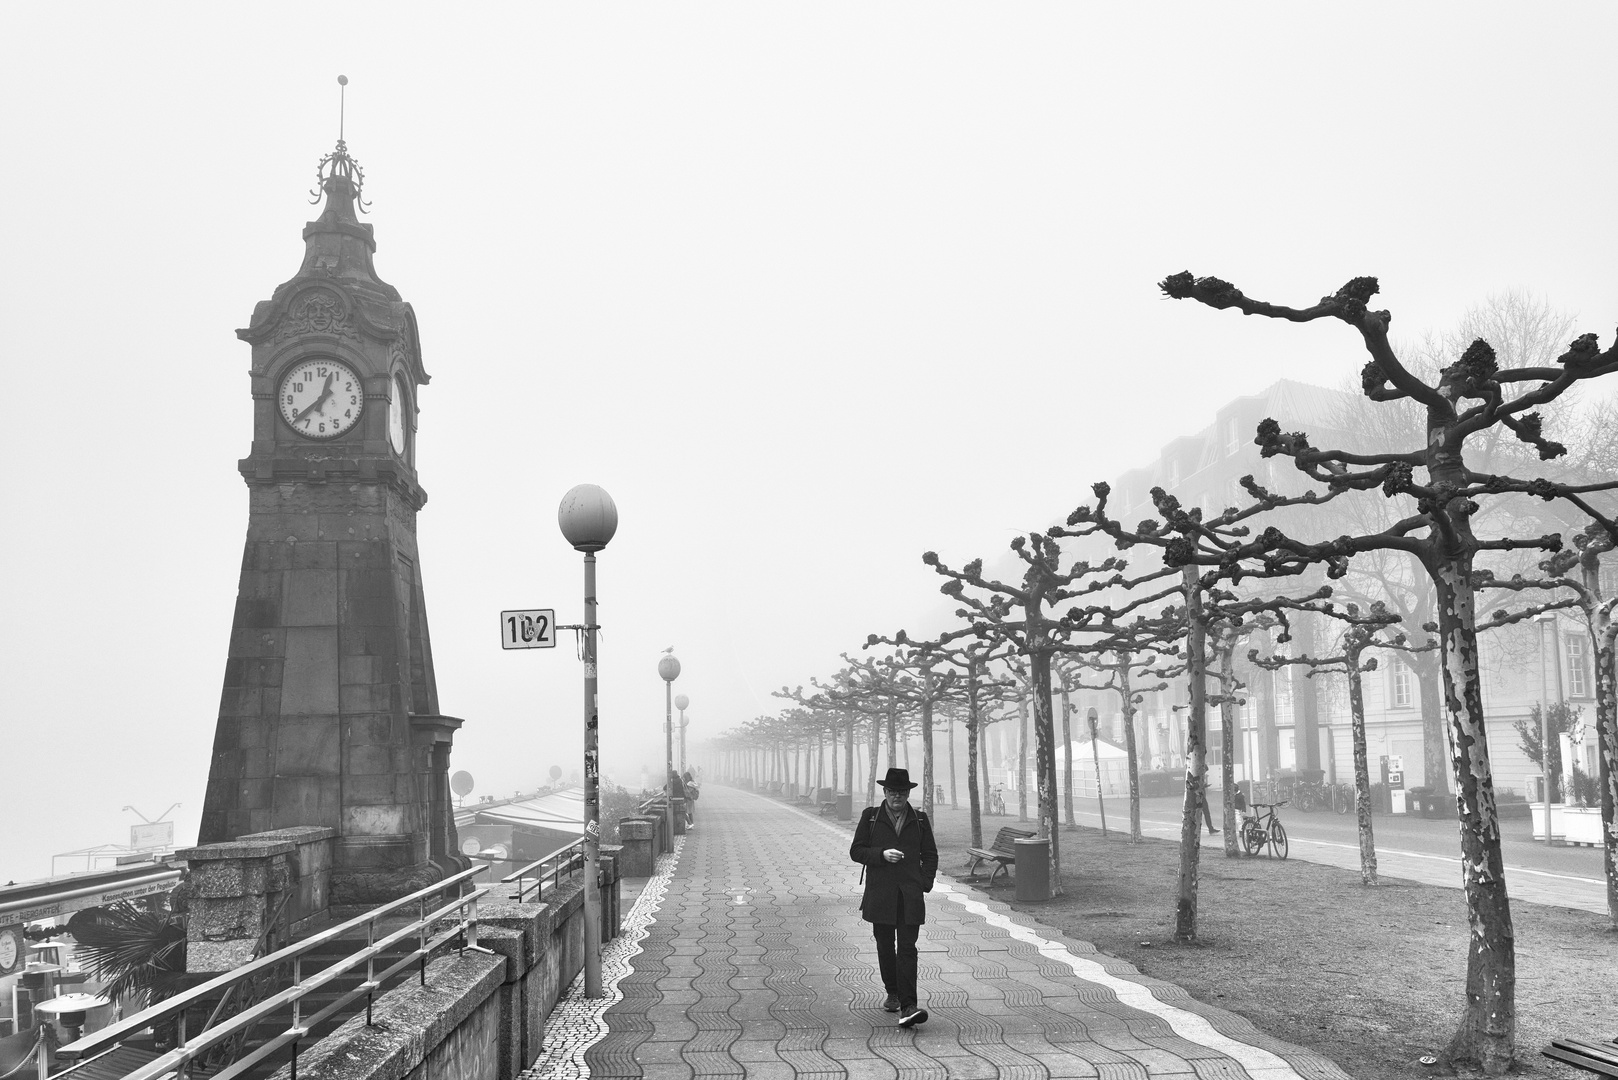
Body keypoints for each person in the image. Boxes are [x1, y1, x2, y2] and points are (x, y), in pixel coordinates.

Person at [850, 767, 938, 1029]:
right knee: (885, 947)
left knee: (908, 949)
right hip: (881, 894)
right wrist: (881, 855)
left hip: (910, 895)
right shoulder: (871, 817)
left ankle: (910, 1005)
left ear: (908, 793)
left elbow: (930, 854)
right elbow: (856, 851)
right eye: (892, 791)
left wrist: (924, 883)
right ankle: (893, 992)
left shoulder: (920, 820)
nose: (896, 796)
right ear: (885, 792)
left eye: (901, 792)